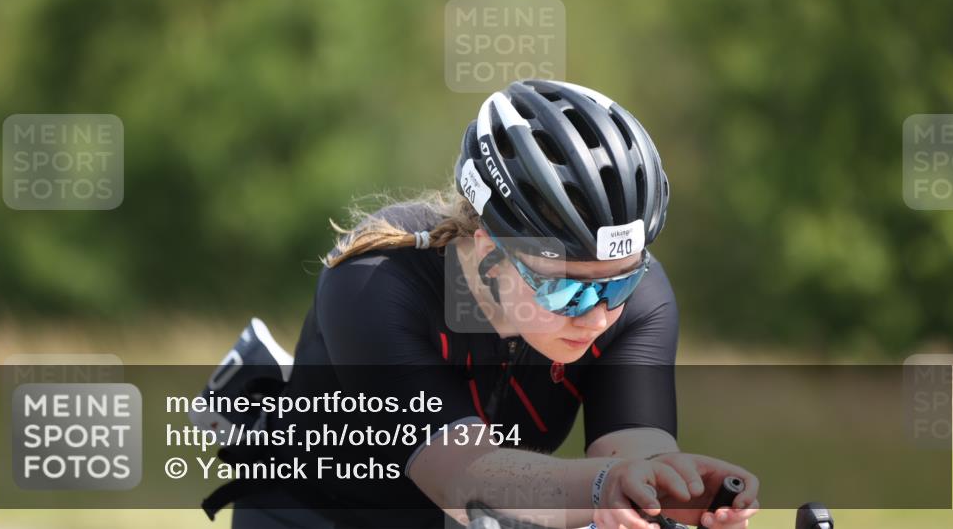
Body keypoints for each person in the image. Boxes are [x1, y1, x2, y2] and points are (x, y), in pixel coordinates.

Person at [218, 79, 760, 529]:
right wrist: (604, 489)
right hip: (314, 515)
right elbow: (468, 479)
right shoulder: (376, 281)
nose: (597, 316)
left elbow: (628, 461)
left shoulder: (641, 300)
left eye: (617, 285)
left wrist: (667, 488)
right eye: (566, 288)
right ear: (487, 255)